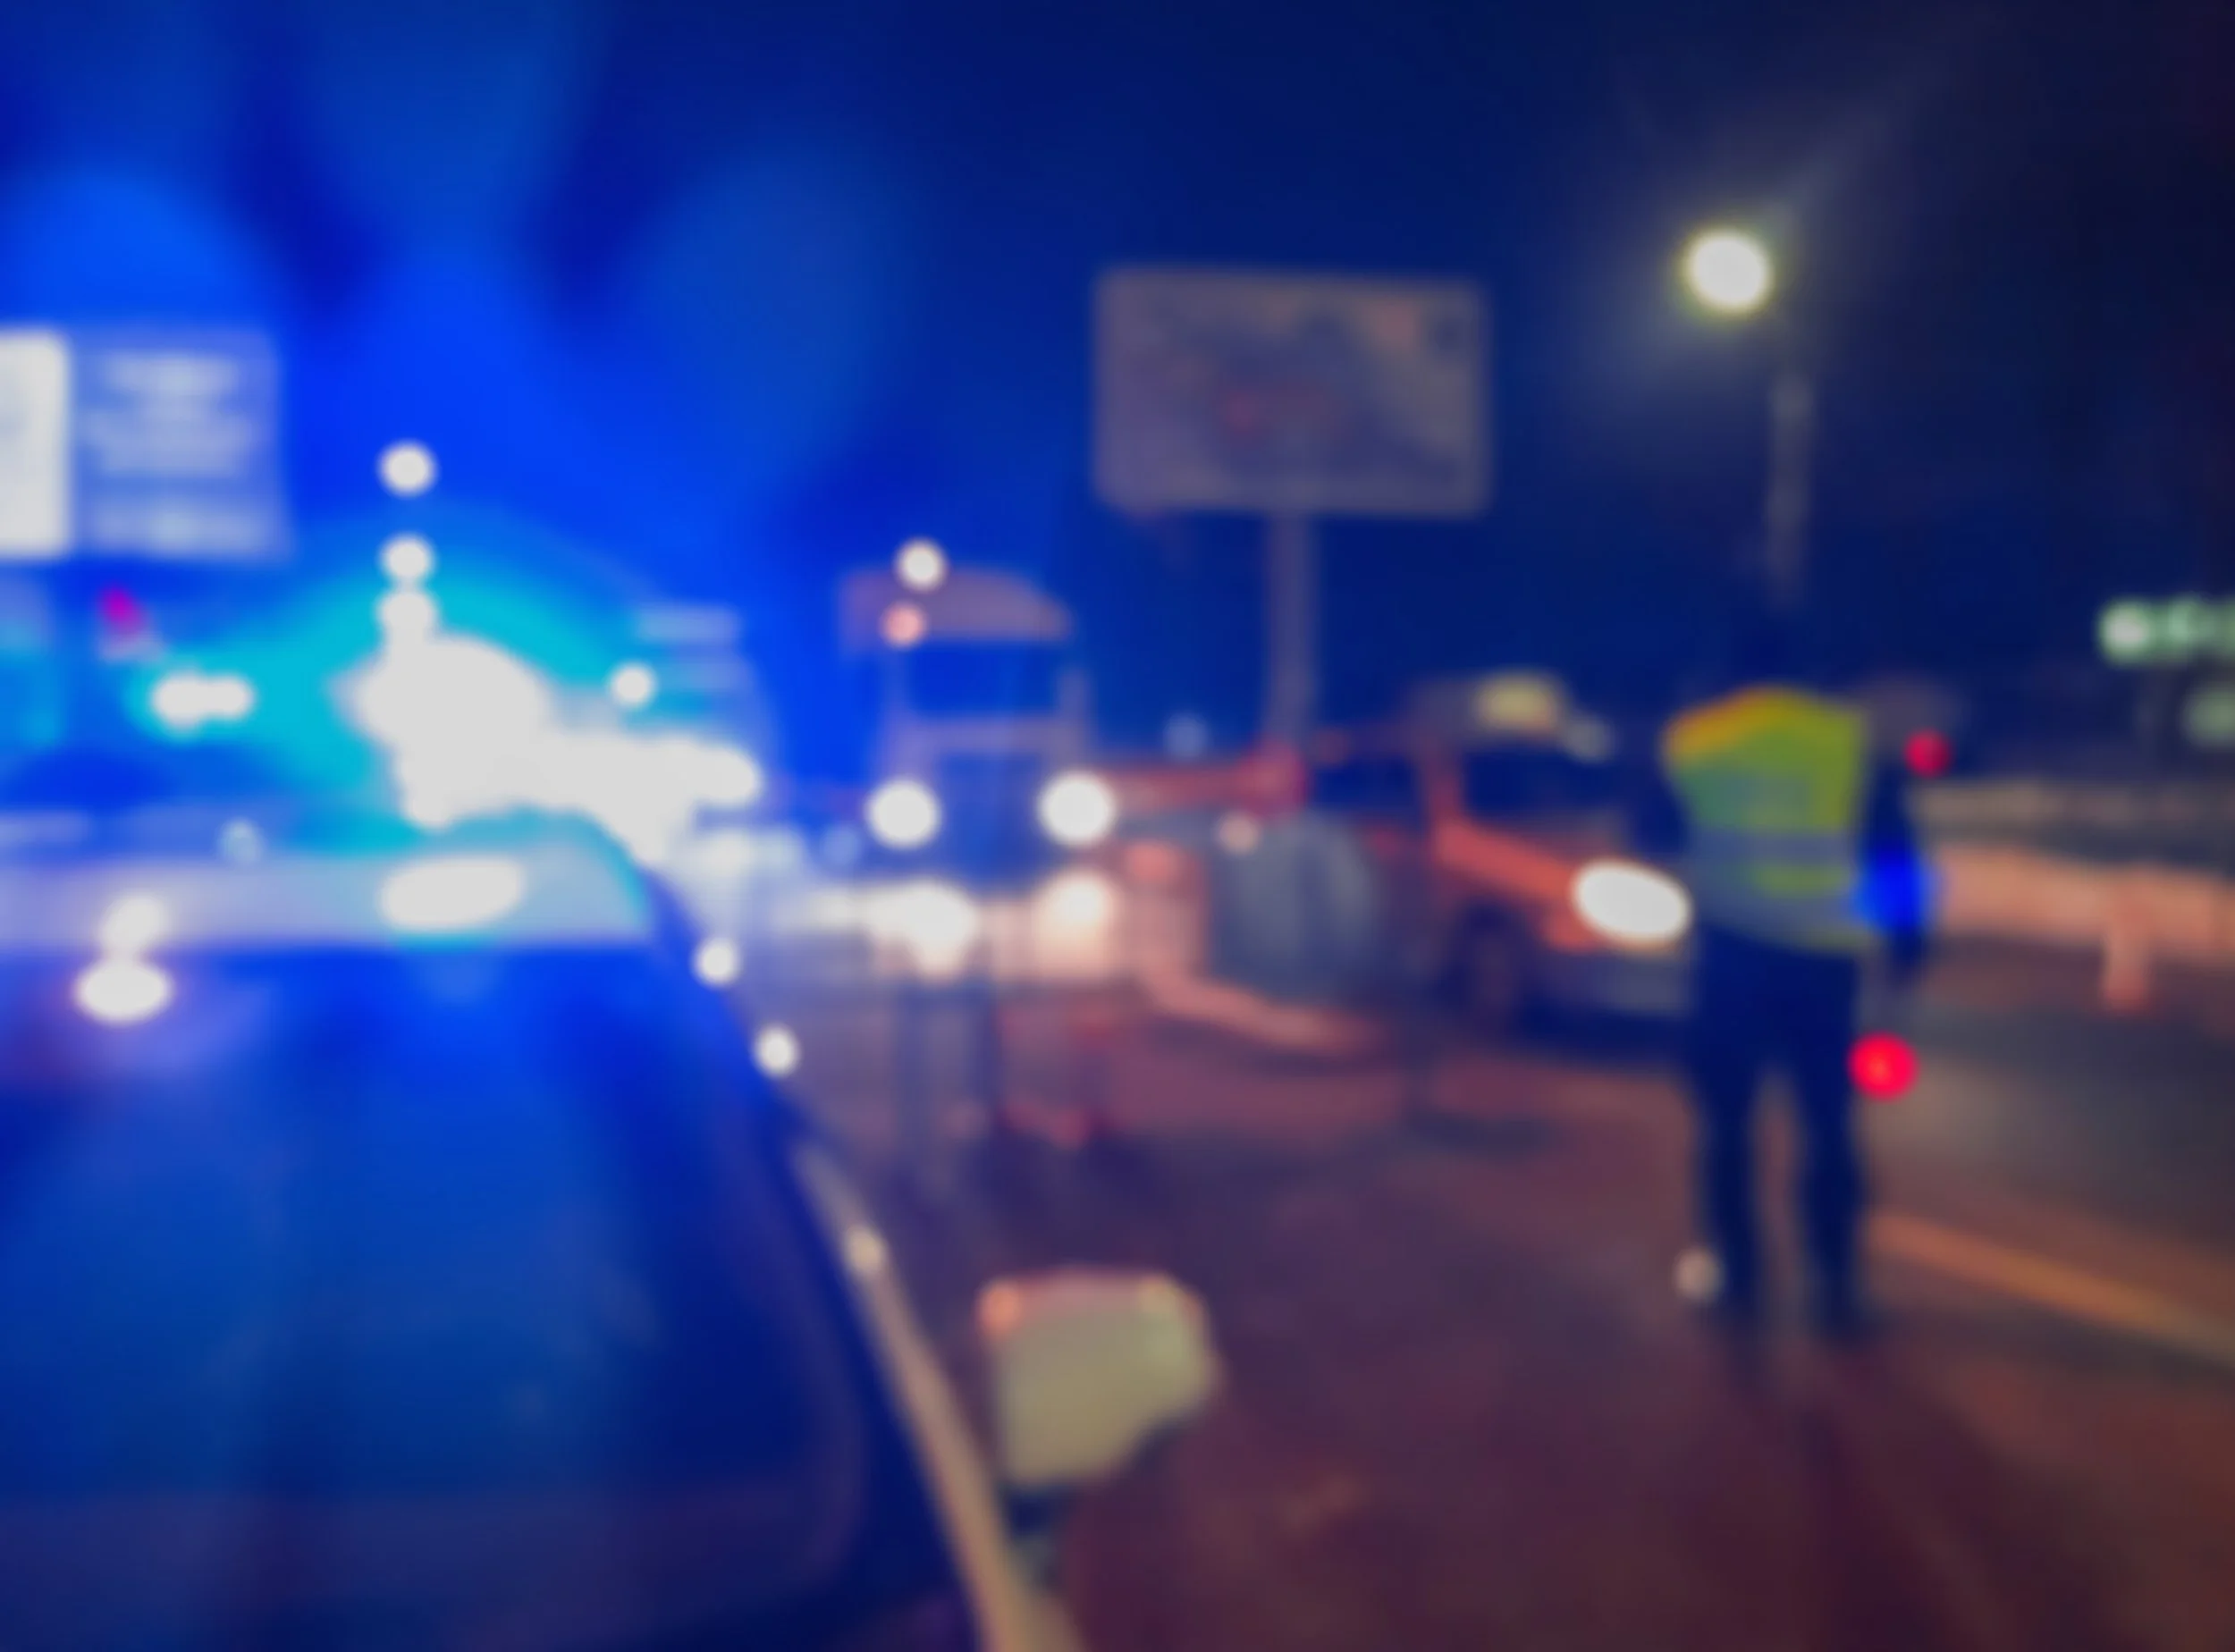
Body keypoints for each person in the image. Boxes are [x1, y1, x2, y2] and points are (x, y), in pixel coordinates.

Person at [1641, 620, 1931, 1335]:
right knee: (1829, 1128)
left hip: (1730, 960)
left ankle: (1735, 1274)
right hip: (1823, 963)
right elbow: (1893, 851)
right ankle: (1838, 1288)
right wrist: (1907, 942)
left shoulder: (1695, 739)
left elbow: (1648, 831)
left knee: (1726, 1127)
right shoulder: (1845, 737)